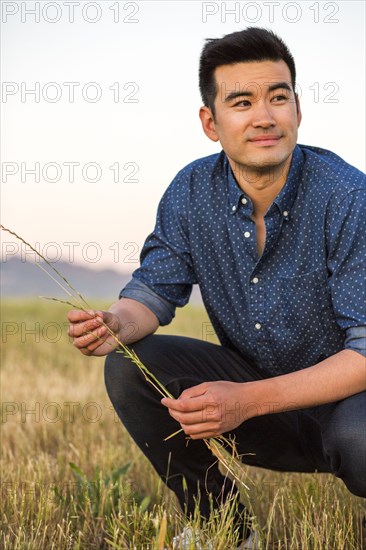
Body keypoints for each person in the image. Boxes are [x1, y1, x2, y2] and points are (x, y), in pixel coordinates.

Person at [68, 27, 366, 548]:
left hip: (350, 408)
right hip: (258, 401)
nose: (265, 116)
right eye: (242, 101)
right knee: (132, 365)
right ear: (211, 122)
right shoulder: (190, 191)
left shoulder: (348, 197)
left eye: (279, 97)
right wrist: (116, 321)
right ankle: (222, 527)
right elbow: (153, 291)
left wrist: (248, 400)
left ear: (298, 109)